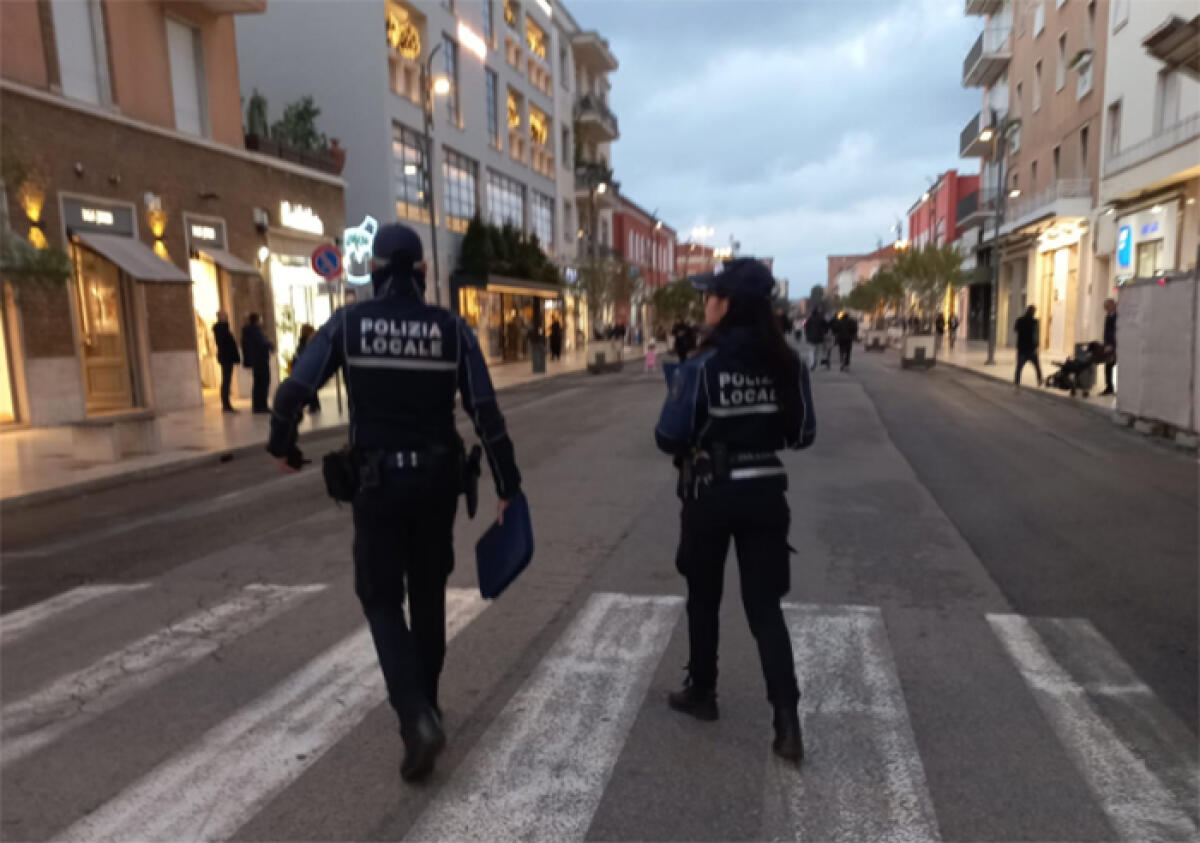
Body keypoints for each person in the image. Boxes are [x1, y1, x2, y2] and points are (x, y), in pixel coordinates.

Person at [266, 223, 521, 784]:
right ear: (423, 272)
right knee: (428, 596)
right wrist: (508, 486)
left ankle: (414, 717)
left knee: (381, 599)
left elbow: (291, 395)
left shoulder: (349, 325)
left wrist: (281, 445)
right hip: (436, 485)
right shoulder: (452, 329)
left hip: (378, 487)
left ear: (375, 270)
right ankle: (427, 706)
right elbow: (485, 412)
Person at [655, 257, 816, 764]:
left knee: (704, 596)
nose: (705, 304)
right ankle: (786, 721)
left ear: (727, 304)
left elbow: (668, 437)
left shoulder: (702, 366)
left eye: (711, 296)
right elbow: (802, 435)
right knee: (765, 608)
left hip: (709, 492)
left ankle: (703, 691)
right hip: (766, 492)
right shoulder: (788, 364)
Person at [241, 313, 274, 414]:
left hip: (256, 361)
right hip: (261, 360)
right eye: (260, 319)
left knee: (258, 384)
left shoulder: (248, 331)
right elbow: (263, 344)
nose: (262, 320)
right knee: (263, 383)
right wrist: (270, 343)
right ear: (257, 320)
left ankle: (257, 406)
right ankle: (262, 406)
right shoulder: (256, 331)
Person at [212, 311, 240, 413]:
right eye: (224, 316)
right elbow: (224, 343)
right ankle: (226, 405)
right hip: (226, 358)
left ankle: (227, 404)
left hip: (227, 358)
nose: (226, 318)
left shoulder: (224, 328)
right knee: (226, 381)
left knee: (227, 380)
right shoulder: (220, 328)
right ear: (220, 317)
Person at [292, 324, 321, 413]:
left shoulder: (304, 341)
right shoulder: (310, 340)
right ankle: (314, 404)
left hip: (305, 365)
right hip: (309, 365)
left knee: (308, 386)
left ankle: (313, 405)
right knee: (311, 387)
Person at [1014, 305, 1043, 388]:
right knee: (1037, 366)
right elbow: (1036, 336)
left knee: (1019, 367)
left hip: (1022, 347)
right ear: (1033, 312)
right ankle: (1039, 381)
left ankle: (1017, 382)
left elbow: (1016, 330)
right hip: (1031, 348)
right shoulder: (1035, 322)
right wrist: (1037, 347)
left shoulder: (1019, 320)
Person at [1101, 298, 1117, 396]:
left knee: (1113, 365)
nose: (1106, 309)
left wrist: (1113, 344)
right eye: (1105, 307)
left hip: (1115, 345)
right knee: (1108, 366)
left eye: (1107, 307)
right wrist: (1106, 344)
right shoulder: (1108, 316)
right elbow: (1107, 331)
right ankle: (1109, 387)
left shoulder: (1117, 316)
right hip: (1109, 344)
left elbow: (1116, 331)